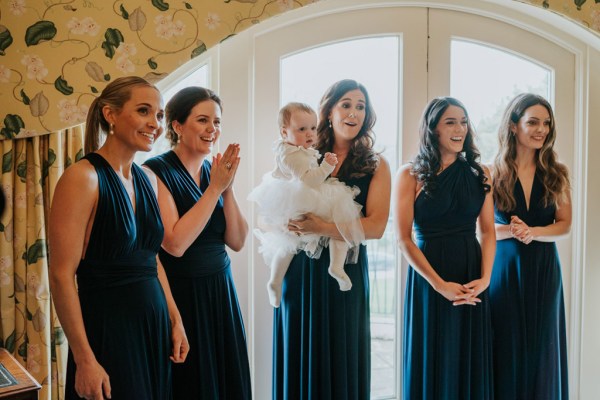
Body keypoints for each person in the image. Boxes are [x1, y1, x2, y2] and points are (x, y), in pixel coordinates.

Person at [49, 76, 189, 400]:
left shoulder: (148, 179)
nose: (154, 123)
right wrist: (85, 359)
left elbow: (151, 259)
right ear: (110, 115)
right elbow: (60, 276)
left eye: (158, 115)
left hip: (153, 331)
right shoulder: (82, 178)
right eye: (143, 111)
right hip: (109, 331)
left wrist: (175, 317)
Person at [272, 79, 391, 399]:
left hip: (345, 272)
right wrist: (284, 221)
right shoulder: (302, 153)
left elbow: (376, 227)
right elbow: (275, 197)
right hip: (301, 270)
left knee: (342, 353)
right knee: (301, 350)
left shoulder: (376, 164)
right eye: (346, 104)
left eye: (361, 106)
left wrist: (320, 226)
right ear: (329, 111)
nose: (354, 112)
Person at [144, 86, 251, 399]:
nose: (212, 129)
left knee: (227, 379)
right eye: (203, 120)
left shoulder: (212, 172)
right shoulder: (155, 171)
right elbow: (174, 243)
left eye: (216, 122)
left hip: (221, 290)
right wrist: (215, 190)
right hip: (184, 294)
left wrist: (227, 187)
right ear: (177, 126)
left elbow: (238, 240)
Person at [395, 96, 495, 399]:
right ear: (433, 129)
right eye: (450, 122)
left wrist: (486, 279)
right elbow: (403, 239)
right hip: (430, 277)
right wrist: (439, 286)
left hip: (470, 272)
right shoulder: (410, 174)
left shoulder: (481, 173)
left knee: (468, 357)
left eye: (463, 121)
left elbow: (488, 231)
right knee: (432, 355)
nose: (460, 128)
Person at [490, 93, 570, 400]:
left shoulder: (555, 172)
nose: (541, 130)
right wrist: (512, 230)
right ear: (513, 126)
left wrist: (532, 232)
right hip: (503, 268)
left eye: (546, 123)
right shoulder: (492, 172)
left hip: (543, 268)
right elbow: (481, 229)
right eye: (533, 122)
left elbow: (564, 224)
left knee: (541, 347)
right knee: (505, 345)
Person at [249, 102, 365, 308]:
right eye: (301, 129)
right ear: (285, 132)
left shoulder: (300, 149)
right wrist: (328, 166)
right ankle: (275, 282)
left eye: (312, 128)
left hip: (306, 191)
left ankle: (336, 266)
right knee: (290, 242)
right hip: (299, 194)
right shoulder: (290, 154)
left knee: (342, 216)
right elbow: (310, 180)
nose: (310, 134)